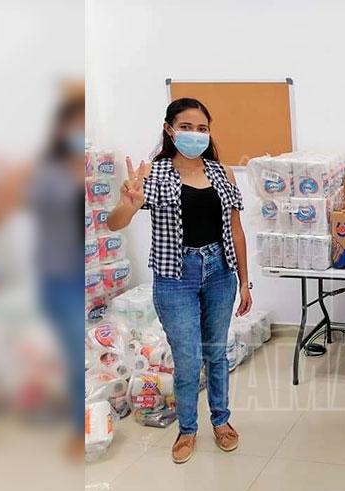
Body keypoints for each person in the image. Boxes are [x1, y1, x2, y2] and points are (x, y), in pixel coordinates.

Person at [107, 97, 252, 464]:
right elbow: (114, 223)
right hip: (176, 277)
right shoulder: (154, 175)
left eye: (202, 128)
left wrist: (245, 281)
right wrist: (128, 203)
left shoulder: (222, 173)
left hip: (220, 272)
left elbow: (236, 230)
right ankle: (187, 429)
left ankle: (221, 421)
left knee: (215, 352)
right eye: (186, 127)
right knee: (187, 359)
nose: (195, 134)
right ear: (170, 130)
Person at [0, 92, 87, 459]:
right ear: (61, 129)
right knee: (74, 352)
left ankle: (85, 420)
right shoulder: (45, 174)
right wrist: (4, 188)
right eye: (75, 124)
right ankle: (79, 429)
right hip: (61, 277)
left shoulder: (95, 170)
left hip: (90, 273)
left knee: (82, 351)